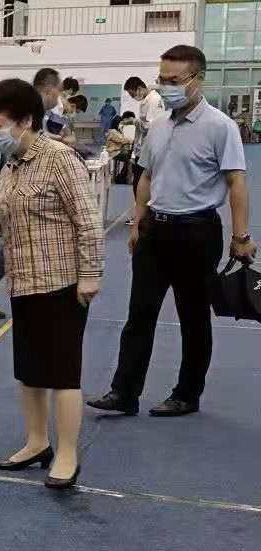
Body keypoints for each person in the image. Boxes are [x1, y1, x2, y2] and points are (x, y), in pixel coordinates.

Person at [88, 46, 257, 418]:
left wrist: (241, 236)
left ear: (198, 80)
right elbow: (147, 176)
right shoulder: (159, 125)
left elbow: (236, 182)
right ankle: (124, 392)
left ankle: (187, 394)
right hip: (155, 232)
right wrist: (138, 221)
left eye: (173, 80)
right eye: (161, 79)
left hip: (197, 234)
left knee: (193, 317)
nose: (165, 86)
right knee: (139, 313)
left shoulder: (220, 127)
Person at [0, 78, 105, 489]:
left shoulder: (59, 158)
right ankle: (37, 442)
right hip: (23, 281)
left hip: (61, 282)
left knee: (62, 373)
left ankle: (67, 453)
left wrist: (90, 274)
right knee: (30, 371)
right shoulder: (11, 164)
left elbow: (88, 221)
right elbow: (0, 224)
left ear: (25, 120)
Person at [0, 67, 63, 320]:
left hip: (48, 277)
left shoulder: (57, 156)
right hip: (28, 278)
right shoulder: (15, 154)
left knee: (13, 238)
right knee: (11, 236)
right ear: (49, 90)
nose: (59, 98)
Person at [124, 75, 170, 199]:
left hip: (150, 150)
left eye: (133, 94)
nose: (133, 97)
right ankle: (140, 209)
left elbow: (154, 126)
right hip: (143, 149)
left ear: (139, 89)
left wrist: (135, 121)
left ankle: (143, 210)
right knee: (138, 183)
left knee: (141, 185)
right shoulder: (147, 100)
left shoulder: (154, 100)